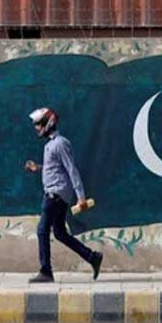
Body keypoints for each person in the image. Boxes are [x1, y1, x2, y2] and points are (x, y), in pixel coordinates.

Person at [24, 107, 103, 283]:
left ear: (48, 123)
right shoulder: (51, 145)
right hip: (57, 193)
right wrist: (38, 168)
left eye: (38, 124)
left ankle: (46, 271)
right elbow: (56, 169)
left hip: (55, 195)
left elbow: (71, 170)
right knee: (59, 232)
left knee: (42, 230)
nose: (36, 128)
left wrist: (81, 196)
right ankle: (92, 257)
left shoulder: (60, 144)